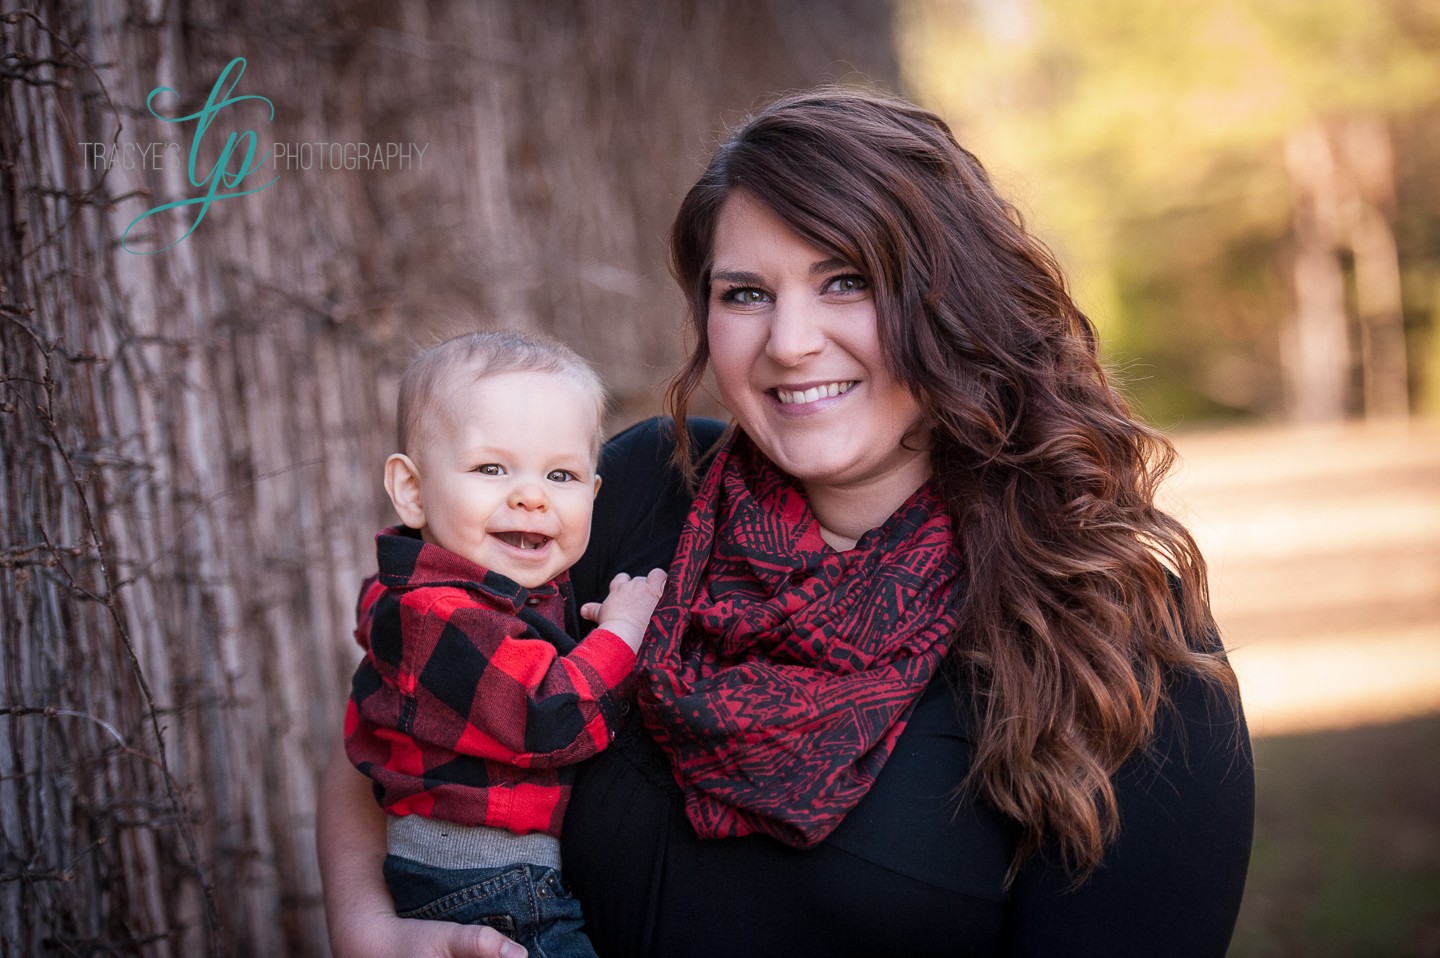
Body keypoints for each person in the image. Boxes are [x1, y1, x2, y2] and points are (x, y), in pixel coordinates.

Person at [320, 88, 1254, 958]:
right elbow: (405, 709)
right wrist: (374, 933)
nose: (791, 342)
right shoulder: (640, 491)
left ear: (952, 299)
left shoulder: (1106, 629)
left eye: (845, 280)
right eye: (746, 294)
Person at [343, 330, 667, 958]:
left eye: (562, 474)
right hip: (486, 885)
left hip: (497, 877)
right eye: (491, 468)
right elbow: (549, 716)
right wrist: (623, 633)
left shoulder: (494, 595)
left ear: (593, 495)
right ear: (412, 490)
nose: (531, 495)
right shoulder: (437, 614)